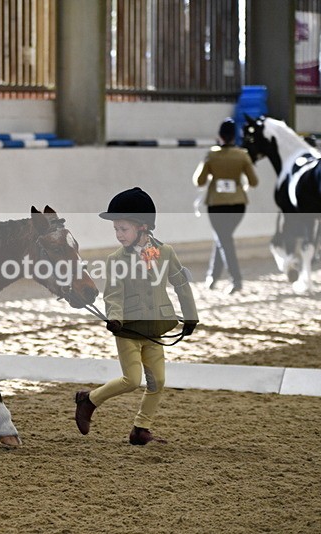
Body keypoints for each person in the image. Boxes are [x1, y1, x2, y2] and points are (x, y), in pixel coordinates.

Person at [75, 187, 198, 445]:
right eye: (116, 230)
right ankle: (90, 400)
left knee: (158, 381)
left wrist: (190, 317)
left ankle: (141, 428)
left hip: (154, 329)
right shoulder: (115, 259)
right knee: (131, 380)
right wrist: (115, 317)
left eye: (123, 229)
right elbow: (114, 294)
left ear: (143, 227)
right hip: (128, 329)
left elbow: (180, 285)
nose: (119, 235)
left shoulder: (165, 253)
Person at [192, 118, 259, 294]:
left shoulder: (212, 155)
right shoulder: (242, 155)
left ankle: (236, 279)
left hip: (216, 204)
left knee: (224, 239)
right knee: (223, 238)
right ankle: (212, 277)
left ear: (219, 136)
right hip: (238, 204)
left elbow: (198, 181)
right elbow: (254, 181)